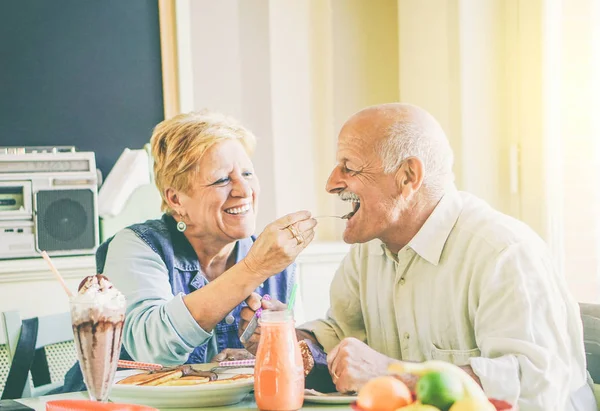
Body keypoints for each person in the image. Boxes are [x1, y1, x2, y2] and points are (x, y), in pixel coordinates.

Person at [241, 103, 595, 410]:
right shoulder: (369, 250)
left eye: (349, 167)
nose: (331, 183)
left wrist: (393, 374)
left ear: (408, 176)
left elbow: (534, 389)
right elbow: (342, 331)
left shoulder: (504, 252)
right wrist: (289, 337)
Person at [58, 110, 316, 392]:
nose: (244, 189)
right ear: (176, 199)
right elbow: (154, 348)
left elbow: (295, 367)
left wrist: (273, 346)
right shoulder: (136, 245)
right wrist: (253, 269)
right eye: (221, 180)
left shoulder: (277, 259)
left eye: (247, 173)